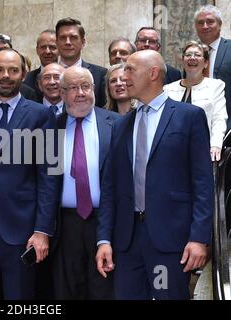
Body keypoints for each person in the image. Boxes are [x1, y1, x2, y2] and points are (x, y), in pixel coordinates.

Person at [96, 50, 214, 300]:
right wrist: (103, 240)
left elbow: (203, 183)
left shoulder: (189, 117)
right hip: (126, 243)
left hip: (171, 242)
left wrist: (199, 238)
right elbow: (109, 189)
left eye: (130, 70)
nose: (123, 76)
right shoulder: (120, 125)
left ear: (153, 73)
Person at [0, 47, 58, 299]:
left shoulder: (42, 114)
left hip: (22, 228)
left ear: (24, 74)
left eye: (13, 70)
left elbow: (50, 176)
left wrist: (42, 230)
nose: (5, 75)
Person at [52, 66, 117, 300]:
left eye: (86, 86)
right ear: (61, 93)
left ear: (94, 90)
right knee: (66, 290)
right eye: (72, 88)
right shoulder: (50, 127)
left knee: (103, 290)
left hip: (105, 221)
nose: (80, 93)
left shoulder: (117, 124)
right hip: (64, 224)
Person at [164, 41, 227, 161]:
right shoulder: (168, 88)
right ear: (183, 61)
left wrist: (216, 144)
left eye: (197, 55)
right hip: (171, 149)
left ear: (206, 63)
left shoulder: (216, 86)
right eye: (188, 55)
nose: (192, 58)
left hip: (202, 149)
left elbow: (219, 118)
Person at [55, 17, 107, 107]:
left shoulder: (100, 74)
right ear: (56, 43)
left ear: (83, 42)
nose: (68, 42)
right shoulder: (46, 76)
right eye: (63, 38)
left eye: (73, 38)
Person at [194, 4, 231, 129]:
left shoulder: (229, 48)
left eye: (210, 22)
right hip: (198, 122)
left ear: (220, 24)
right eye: (200, 22)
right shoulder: (191, 54)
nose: (205, 26)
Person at [24, 29, 59, 101]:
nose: (47, 51)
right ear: (37, 50)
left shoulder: (68, 77)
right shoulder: (26, 80)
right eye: (43, 47)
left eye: (52, 47)